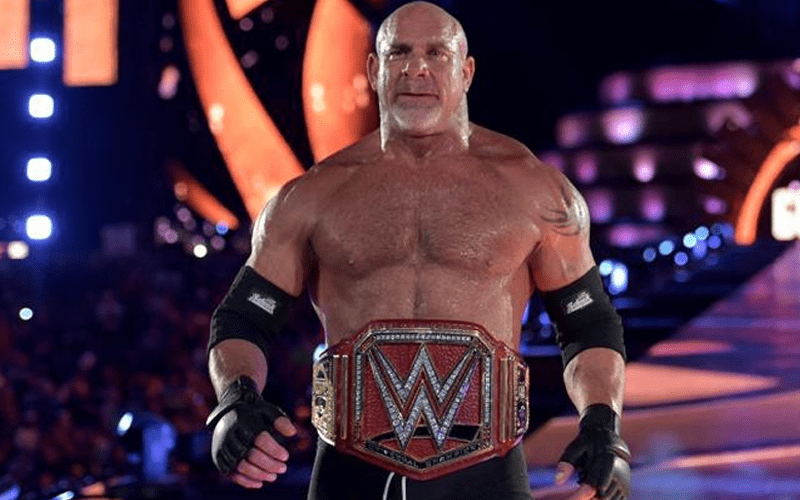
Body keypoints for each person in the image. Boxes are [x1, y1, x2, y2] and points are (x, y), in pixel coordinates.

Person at [204, 2, 630, 499]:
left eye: (437, 53)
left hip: (486, 475)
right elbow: (243, 319)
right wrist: (235, 400)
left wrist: (602, 424)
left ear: (466, 71)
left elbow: (587, 325)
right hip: (351, 474)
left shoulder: (535, 191)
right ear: (373, 70)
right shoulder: (312, 197)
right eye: (399, 52)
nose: (416, 68)